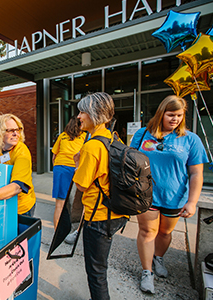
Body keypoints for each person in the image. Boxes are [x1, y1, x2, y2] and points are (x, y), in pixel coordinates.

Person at [130, 95, 208, 294]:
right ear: (161, 113)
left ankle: (158, 258)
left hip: (175, 196)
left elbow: (196, 172)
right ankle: (147, 272)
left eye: (179, 115)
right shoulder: (143, 134)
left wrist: (192, 201)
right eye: (171, 114)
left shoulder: (191, 139)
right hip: (146, 195)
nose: (175, 119)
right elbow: (130, 161)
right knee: (148, 232)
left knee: (165, 232)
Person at [73, 92, 128, 300]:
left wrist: (78, 163)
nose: (78, 116)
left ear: (94, 114)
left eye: (82, 112)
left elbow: (80, 185)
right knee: (100, 268)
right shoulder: (113, 139)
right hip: (116, 212)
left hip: (98, 218)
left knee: (96, 272)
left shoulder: (92, 146)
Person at [51, 117, 86, 229]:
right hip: (77, 167)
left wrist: (57, 168)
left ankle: (58, 232)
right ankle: (81, 228)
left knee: (60, 204)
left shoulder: (62, 136)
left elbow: (54, 156)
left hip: (60, 167)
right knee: (83, 200)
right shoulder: (85, 137)